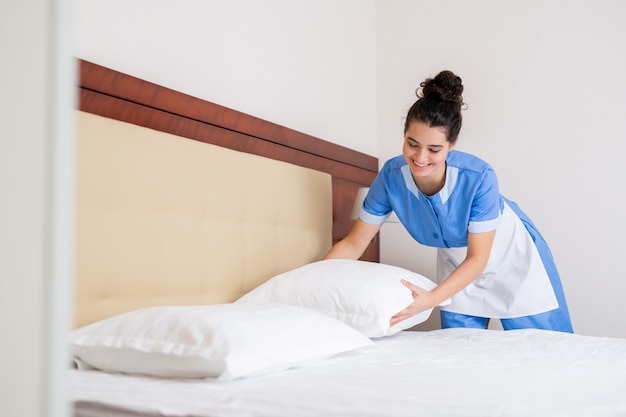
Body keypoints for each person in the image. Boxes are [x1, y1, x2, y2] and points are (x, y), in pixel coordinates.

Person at [324, 70, 573, 333]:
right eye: (412, 144)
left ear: (451, 146)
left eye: (434, 150)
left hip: (510, 258)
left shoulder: (479, 177)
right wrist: (310, 277)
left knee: (545, 349)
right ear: (404, 135)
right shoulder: (390, 178)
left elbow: (478, 258)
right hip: (458, 265)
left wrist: (431, 299)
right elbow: (354, 243)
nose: (420, 157)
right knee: (461, 349)